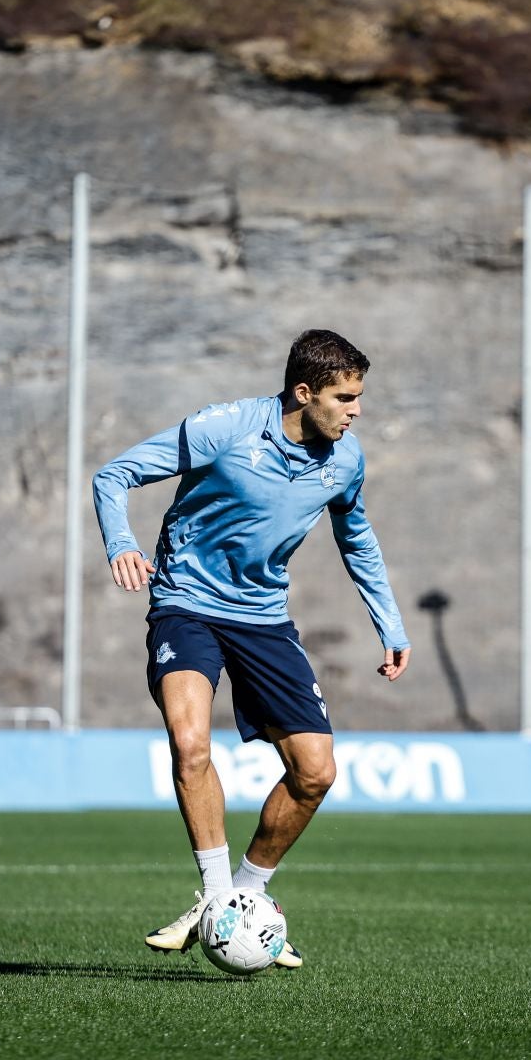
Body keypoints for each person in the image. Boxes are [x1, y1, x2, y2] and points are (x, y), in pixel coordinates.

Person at [93, 329, 412, 970]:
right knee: (190, 745)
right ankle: (216, 899)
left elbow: (358, 538)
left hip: (264, 619)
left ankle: (245, 895)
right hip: (186, 603)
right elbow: (114, 475)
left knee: (316, 772)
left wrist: (391, 624)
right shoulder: (226, 428)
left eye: (358, 398)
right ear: (304, 393)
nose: (356, 411)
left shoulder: (346, 460)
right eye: (345, 398)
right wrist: (121, 544)